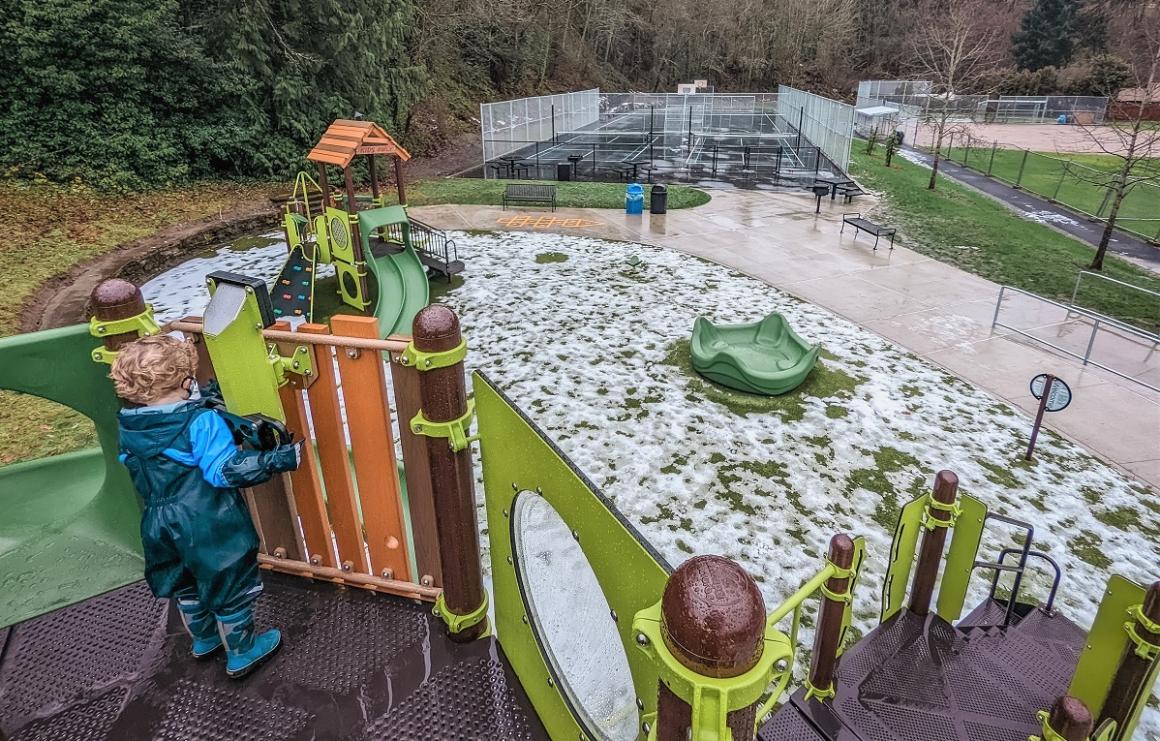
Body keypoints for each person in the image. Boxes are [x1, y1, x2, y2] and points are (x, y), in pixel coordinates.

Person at [110, 335, 301, 678]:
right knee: (227, 581)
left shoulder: (129, 424)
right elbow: (224, 471)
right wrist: (277, 459)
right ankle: (242, 651)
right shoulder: (200, 422)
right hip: (205, 517)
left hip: (158, 519)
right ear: (185, 383)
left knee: (185, 581)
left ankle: (205, 639)